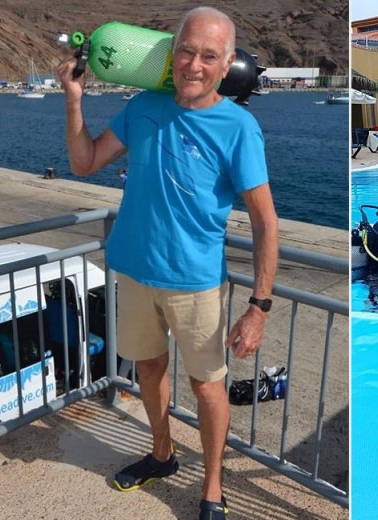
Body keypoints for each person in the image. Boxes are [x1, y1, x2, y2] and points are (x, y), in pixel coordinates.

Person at [56, 7, 278, 520]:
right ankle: (162, 455)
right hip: (135, 272)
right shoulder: (142, 107)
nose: (194, 65)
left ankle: (213, 487)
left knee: (207, 386)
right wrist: (73, 99)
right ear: (171, 53)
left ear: (226, 64)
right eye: (186, 51)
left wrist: (259, 308)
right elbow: (85, 162)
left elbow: (266, 223)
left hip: (196, 283)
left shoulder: (239, 127)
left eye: (208, 56)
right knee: (149, 368)